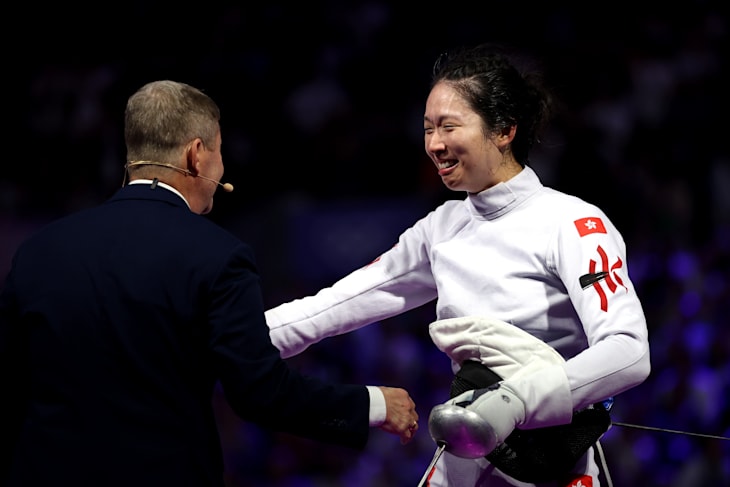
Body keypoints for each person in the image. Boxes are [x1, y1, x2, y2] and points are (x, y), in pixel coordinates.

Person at [264, 44, 651, 487]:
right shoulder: (442, 227)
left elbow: (629, 351)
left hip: (553, 462)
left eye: (449, 126)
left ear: (504, 130)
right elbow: (335, 304)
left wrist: (516, 400)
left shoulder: (572, 222)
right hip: (467, 454)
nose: (434, 144)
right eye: (428, 128)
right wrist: (236, 336)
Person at [0, 80, 420, 487]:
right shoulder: (217, 255)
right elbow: (260, 393)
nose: (222, 166)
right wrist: (374, 404)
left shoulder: (38, 251)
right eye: (219, 150)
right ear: (196, 154)